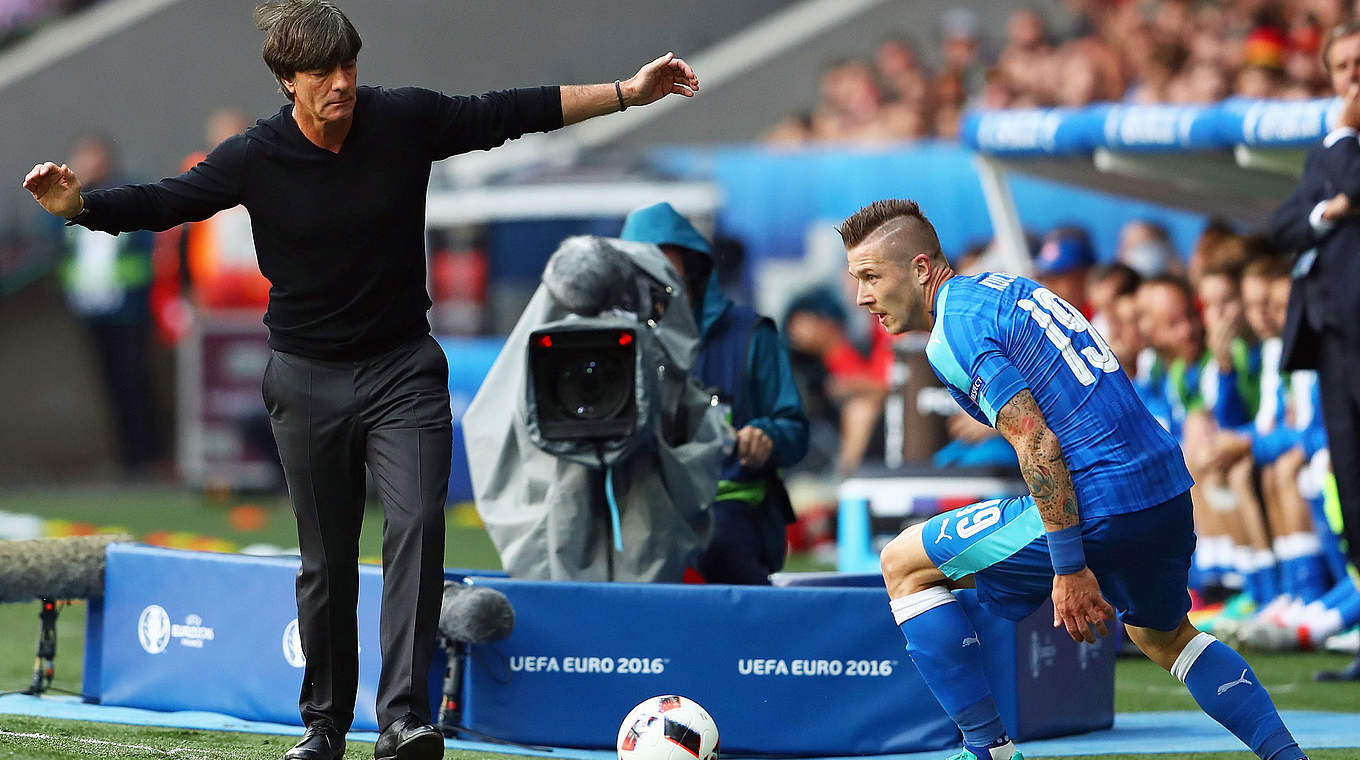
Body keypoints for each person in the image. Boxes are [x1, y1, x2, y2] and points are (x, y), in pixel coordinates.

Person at [21, 2, 701, 759]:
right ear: (287, 81)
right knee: (326, 559)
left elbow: (512, 112)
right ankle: (324, 727)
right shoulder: (255, 155)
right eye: (322, 73)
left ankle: (405, 721)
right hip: (306, 380)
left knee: (417, 525)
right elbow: (162, 203)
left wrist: (626, 93)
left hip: (402, 370)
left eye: (348, 65)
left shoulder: (402, 120)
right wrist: (79, 207)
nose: (341, 82)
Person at [839, 198, 1309, 760]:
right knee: (1163, 636)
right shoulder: (1006, 289)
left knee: (903, 565)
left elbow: (1037, 442)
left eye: (871, 277)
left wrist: (1070, 566)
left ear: (919, 269)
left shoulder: (953, 332)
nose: (862, 297)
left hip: (1098, 500)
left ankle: (987, 749)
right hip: (1163, 486)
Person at [619, 202, 808, 584]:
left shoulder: (752, 334)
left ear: (693, 268)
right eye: (641, 271)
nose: (655, 282)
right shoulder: (616, 341)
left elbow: (796, 432)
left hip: (726, 498)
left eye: (665, 268)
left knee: (719, 543)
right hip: (637, 498)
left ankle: (752, 640)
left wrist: (765, 437)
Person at [1269, 17, 1360, 683]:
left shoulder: (1338, 147)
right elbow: (1283, 226)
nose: (1352, 79)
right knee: (1352, 491)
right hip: (1334, 346)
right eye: (1341, 69)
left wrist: (1342, 139)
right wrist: (1329, 211)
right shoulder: (1330, 155)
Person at [52, 133, 162, 478]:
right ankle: (127, 457)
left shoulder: (125, 195)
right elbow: (56, 242)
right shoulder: (69, 203)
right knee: (111, 383)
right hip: (90, 308)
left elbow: (147, 244)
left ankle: (149, 456)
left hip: (128, 308)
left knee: (136, 380)